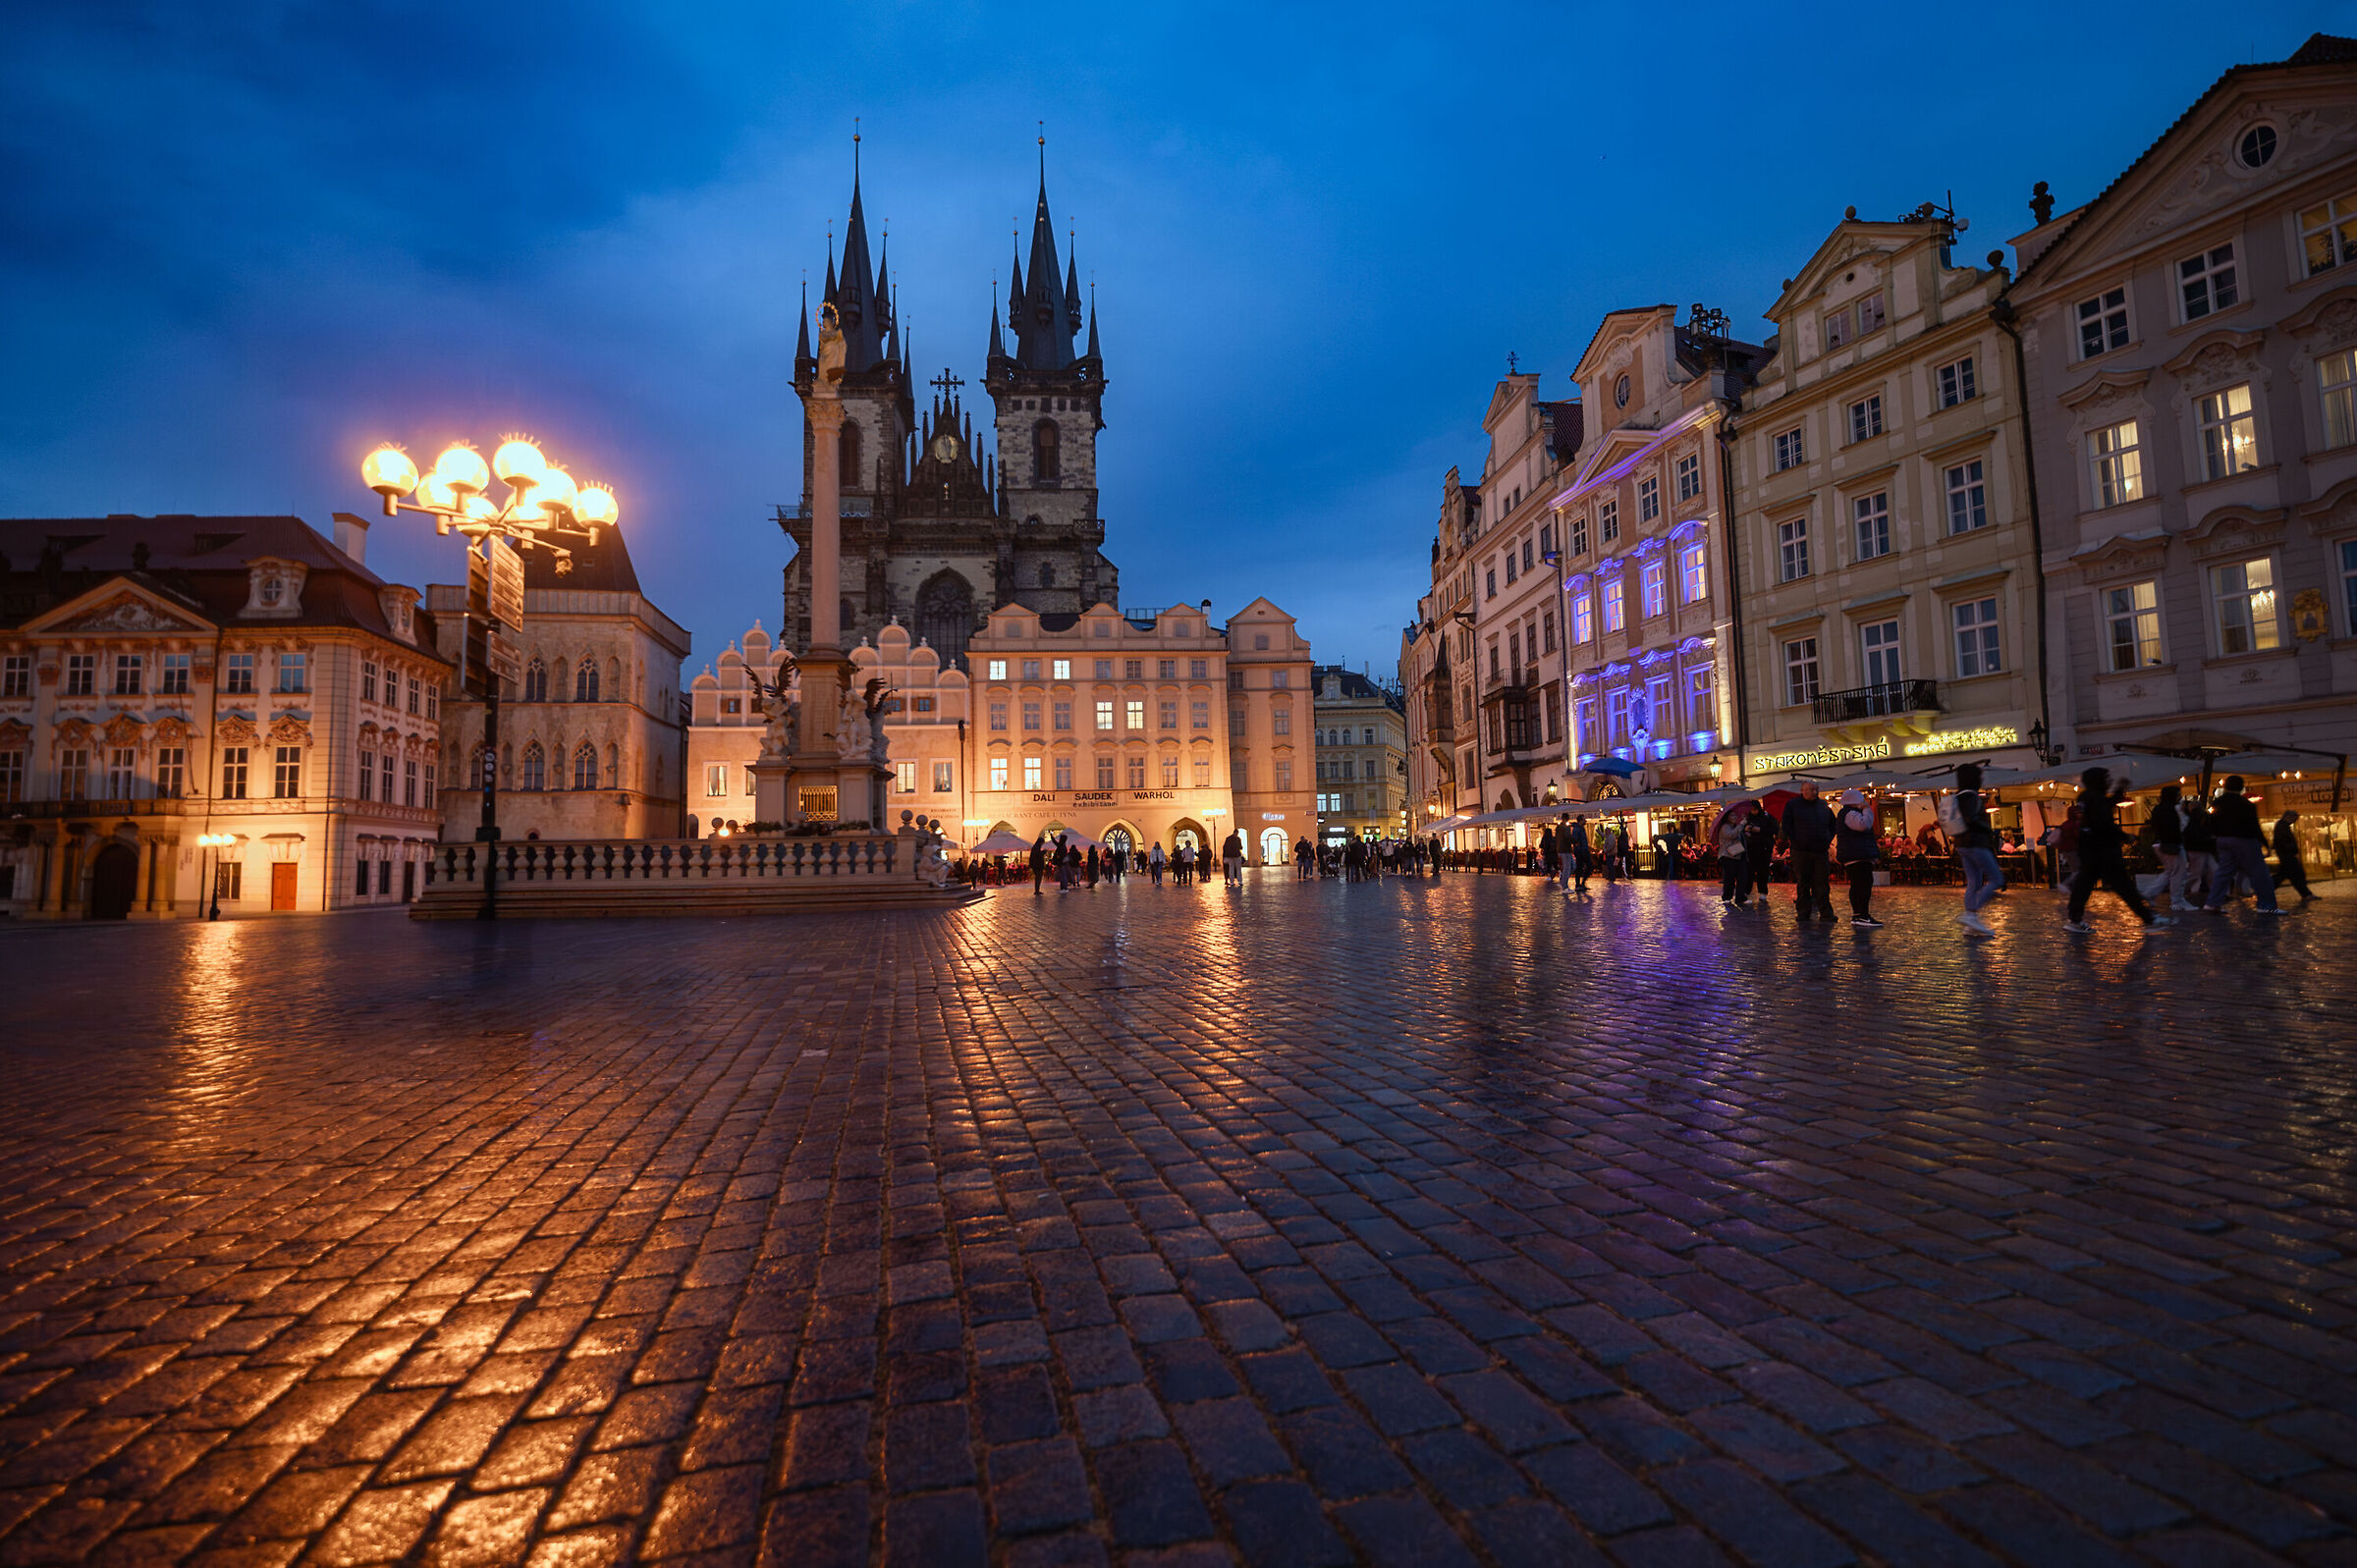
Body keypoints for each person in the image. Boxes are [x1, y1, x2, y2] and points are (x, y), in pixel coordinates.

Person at [2066, 767, 2171, 932]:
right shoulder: (2096, 799)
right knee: (2124, 886)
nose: (2109, 781)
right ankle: (2149, 918)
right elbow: (2103, 824)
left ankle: (2074, 920)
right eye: (2107, 778)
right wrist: (2124, 836)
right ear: (2099, 780)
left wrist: (2119, 790)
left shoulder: (2086, 798)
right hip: (2104, 851)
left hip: (2090, 850)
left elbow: (2104, 807)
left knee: (2083, 887)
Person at [2203, 777, 2280, 917]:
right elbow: (2254, 826)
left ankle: (2213, 902)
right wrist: (2264, 842)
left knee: (2224, 872)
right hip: (2244, 839)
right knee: (2259, 872)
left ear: (2225, 787)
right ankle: (2266, 905)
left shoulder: (2217, 803)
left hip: (2222, 840)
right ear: (2241, 787)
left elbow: (2209, 822)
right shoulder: (2246, 804)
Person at [1951, 763, 2001, 936]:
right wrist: (1987, 828)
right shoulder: (1972, 797)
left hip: (1962, 844)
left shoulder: (1957, 797)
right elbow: (1971, 819)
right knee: (1996, 879)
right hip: (1976, 844)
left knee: (1974, 882)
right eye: (1980, 776)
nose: (1982, 779)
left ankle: (1970, 924)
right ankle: (1971, 914)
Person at [1781, 782, 1838, 920]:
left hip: (1820, 849)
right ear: (1803, 791)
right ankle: (1803, 912)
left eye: (1816, 790)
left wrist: (1827, 839)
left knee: (1822, 882)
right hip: (1801, 850)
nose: (1814, 792)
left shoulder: (1823, 806)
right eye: (1811, 790)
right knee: (1803, 882)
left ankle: (1826, 912)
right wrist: (1796, 839)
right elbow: (1786, 824)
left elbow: (1833, 824)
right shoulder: (1793, 805)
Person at [1834, 789, 1883, 928]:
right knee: (1863, 885)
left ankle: (1859, 915)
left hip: (1855, 854)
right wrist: (1867, 809)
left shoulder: (1846, 813)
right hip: (1857, 854)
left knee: (1858, 885)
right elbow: (1864, 825)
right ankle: (1862, 915)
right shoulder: (1850, 813)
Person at [2148, 784, 2188, 910]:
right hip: (2171, 844)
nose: (2180, 797)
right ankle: (2177, 901)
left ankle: (2150, 894)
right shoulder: (2172, 810)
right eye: (2178, 795)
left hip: (2161, 843)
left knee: (2170, 872)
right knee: (2178, 873)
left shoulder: (2158, 809)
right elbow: (2178, 827)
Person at [2274, 810, 2317, 903]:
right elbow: (2282, 842)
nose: (2295, 821)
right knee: (2294, 875)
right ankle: (2306, 894)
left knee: (2287, 876)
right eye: (2294, 819)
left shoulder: (2283, 826)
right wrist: (2291, 849)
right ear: (2289, 817)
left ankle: (2306, 894)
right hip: (2287, 855)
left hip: (2287, 855)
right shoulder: (2282, 826)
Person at [1741, 807, 1776, 912]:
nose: (1753, 811)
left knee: (1763, 872)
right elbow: (1740, 831)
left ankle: (1762, 892)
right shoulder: (1747, 819)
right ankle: (1746, 891)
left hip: (1764, 849)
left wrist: (1760, 830)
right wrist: (1746, 830)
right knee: (1749, 871)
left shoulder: (1767, 818)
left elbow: (1773, 830)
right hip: (1751, 850)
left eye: (1755, 809)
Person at [1716, 809, 1749, 906]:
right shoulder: (1725, 827)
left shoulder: (1734, 827)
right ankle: (1727, 897)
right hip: (1728, 856)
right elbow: (1731, 835)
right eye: (1732, 815)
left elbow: (1737, 837)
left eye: (1735, 815)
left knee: (1742, 877)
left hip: (1738, 855)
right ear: (1727, 817)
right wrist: (1741, 825)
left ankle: (1740, 897)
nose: (1734, 817)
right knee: (1729, 878)